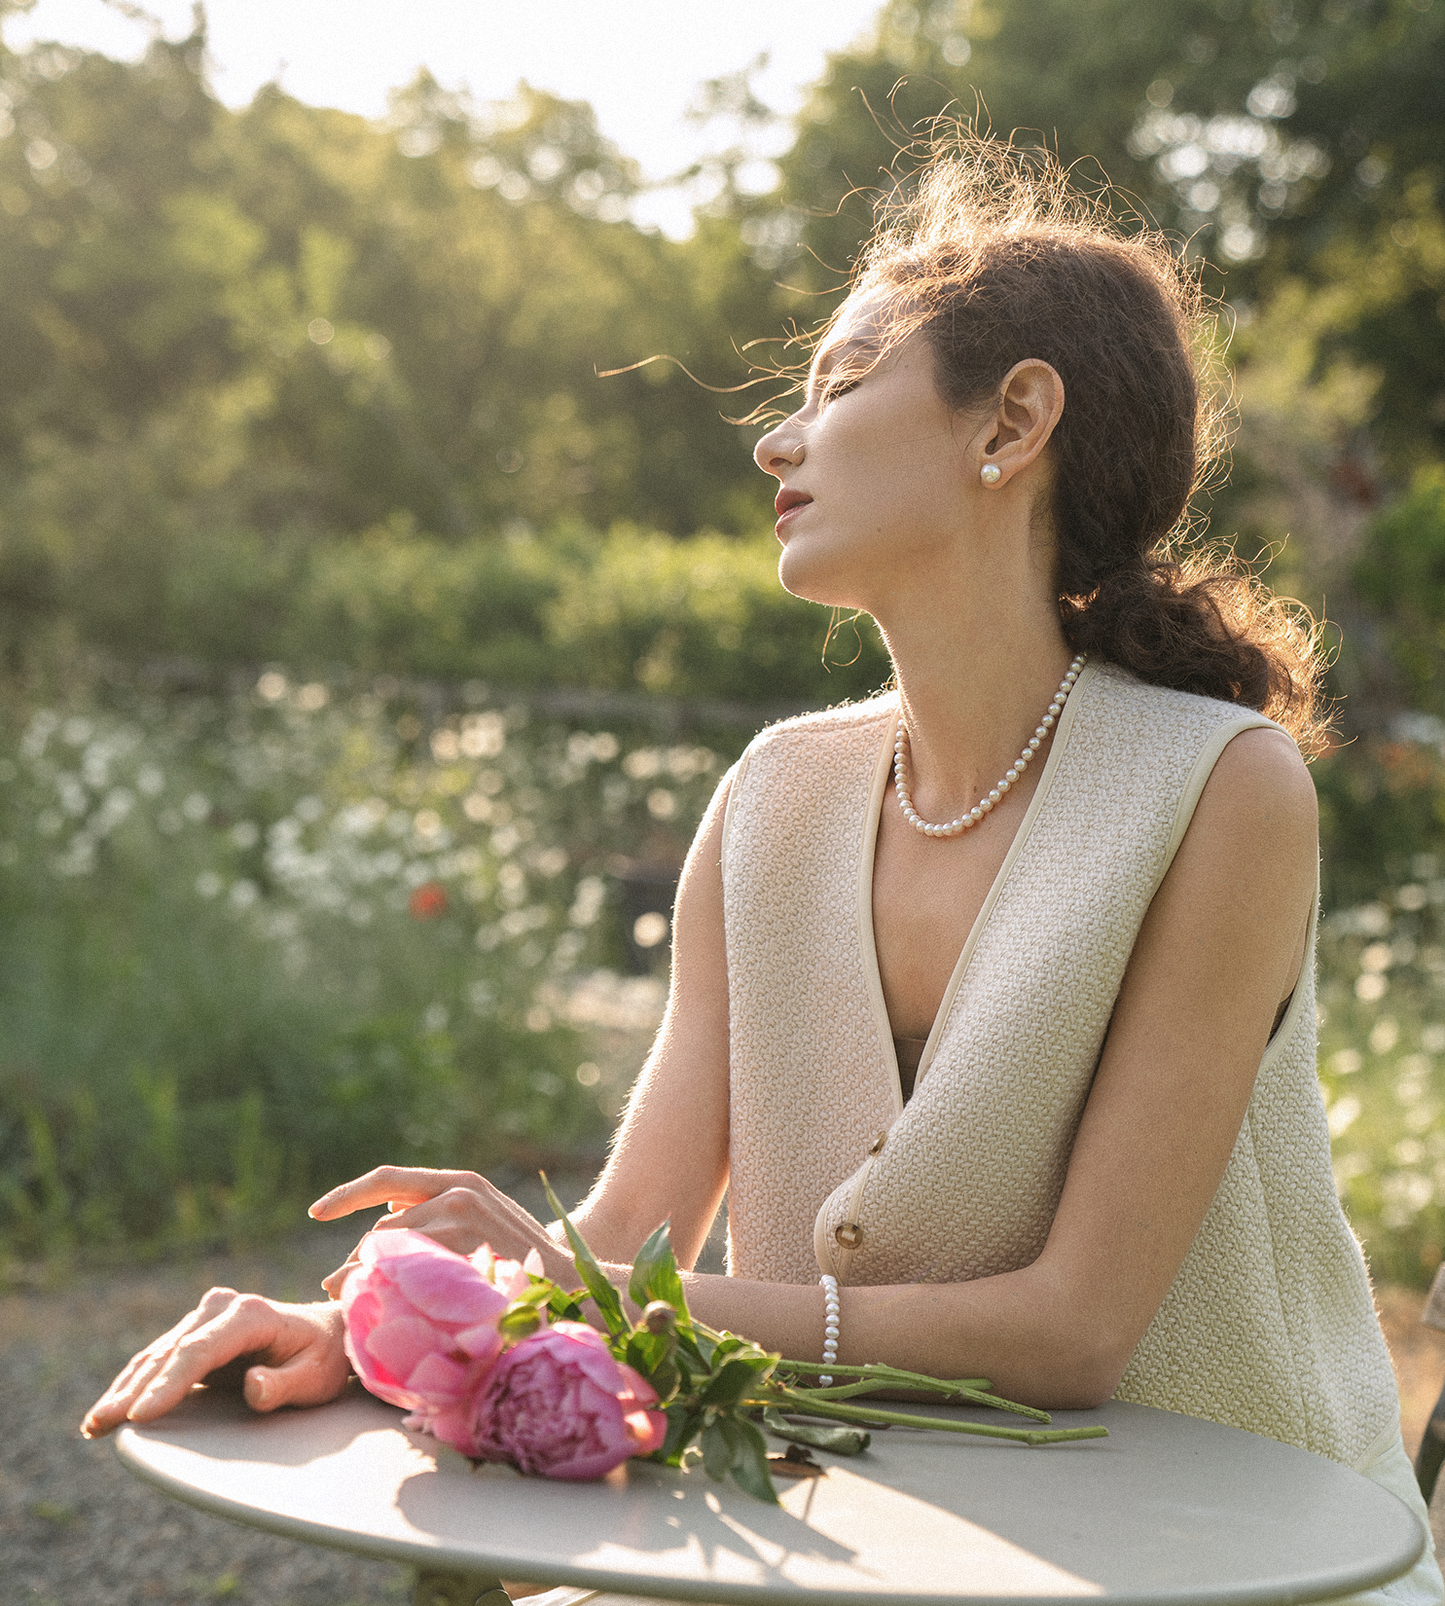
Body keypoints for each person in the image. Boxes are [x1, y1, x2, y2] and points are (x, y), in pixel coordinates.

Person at [83, 136, 1439, 1599]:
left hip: (1237, 1567)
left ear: (1015, 420)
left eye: (843, 383)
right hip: (864, 1551)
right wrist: (369, 1322)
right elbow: (626, 1235)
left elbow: (1073, 1330)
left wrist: (579, 1284)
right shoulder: (774, 796)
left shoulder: (1219, 790)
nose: (774, 445)